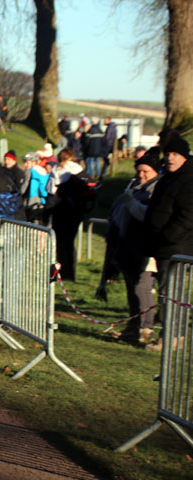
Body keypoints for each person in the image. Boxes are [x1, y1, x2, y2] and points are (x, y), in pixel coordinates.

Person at [97, 149, 161, 345]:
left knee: (142, 288)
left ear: (155, 172)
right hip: (127, 246)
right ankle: (133, 327)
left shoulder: (157, 190)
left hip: (147, 249)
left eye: (146, 172)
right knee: (132, 289)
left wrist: (130, 203)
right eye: (139, 171)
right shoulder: (136, 187)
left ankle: (146, 327)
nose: (141, 175)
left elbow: (148, 216)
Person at [144, 136, 193, 351]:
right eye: (167, 154)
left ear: (184, 156)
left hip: (177, 248)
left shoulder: (188, 180)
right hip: (163, 246)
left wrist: (168, 236)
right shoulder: (168, 177)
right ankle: (171, 335)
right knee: (167, 292)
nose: (169, 158)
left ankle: (173, 337)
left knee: (172, 294)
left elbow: (188, 215)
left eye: (174, 154)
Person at [48, 148, 85, 280]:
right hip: (76, 209)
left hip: (61, 208)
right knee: (70, 242)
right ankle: (72, 272)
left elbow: (51, 189)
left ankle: (63, 271)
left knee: (61, 242)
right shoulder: (78, 169)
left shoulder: (57, 169)